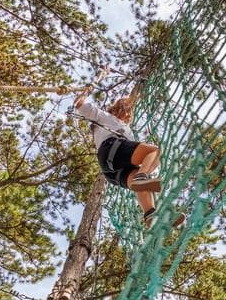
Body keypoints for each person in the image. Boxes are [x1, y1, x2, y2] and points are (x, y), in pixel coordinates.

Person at [73, 91, 181, 227]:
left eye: (130, 113)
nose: (129, 115)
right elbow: (79, 105)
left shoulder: (127, 129)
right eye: (127, 111)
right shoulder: (103, 116)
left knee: (141, 182)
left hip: (111, 171)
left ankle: (150, 214)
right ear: (118, 109)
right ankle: (141, 176)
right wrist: (84, 94)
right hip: (112, 149)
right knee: (156, 151)